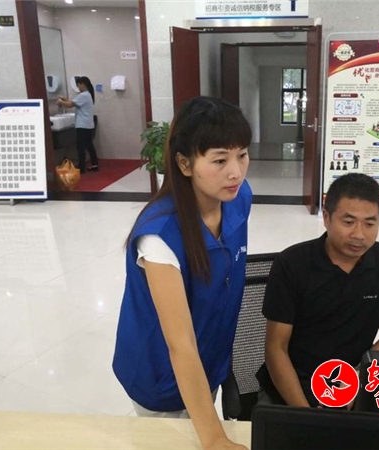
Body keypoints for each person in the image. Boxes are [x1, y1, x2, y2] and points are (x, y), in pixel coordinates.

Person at [113, 96, 252, 450]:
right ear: (185, 163)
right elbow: (180, 344)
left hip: (210, 360)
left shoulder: (238, 197)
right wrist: (215, 439)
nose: (236, 172)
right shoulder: (159, 236)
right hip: (161, 376)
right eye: (220, 160)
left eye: (242, 155)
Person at [256, 173, 379, 408]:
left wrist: (358, 382)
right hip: (292, 390)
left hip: (353, 385)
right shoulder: (292, 264)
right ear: (326, 218)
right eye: (348, 222)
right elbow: (276, 349)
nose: (359, 234)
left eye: (369, 224)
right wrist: (306, 415)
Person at [57, 76, 99, 173]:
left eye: (78, 85)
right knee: (89, 146)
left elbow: (70, 105)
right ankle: (95, 164)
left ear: (82, 84)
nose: (78, 87)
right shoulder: (88, 94)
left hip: (82, 125)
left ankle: (81, 167)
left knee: (81, 147)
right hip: (88, 124)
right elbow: (73, 102)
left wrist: (60, 102)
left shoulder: (83, 95)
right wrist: (64, 99)